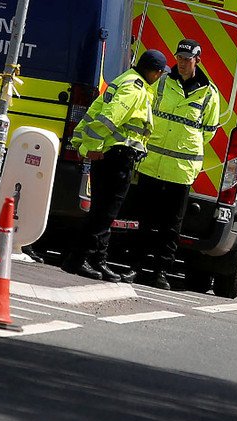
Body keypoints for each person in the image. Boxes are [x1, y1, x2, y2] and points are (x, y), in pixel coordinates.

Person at [62, 50, 165, 282]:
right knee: (103, 213)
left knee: (104, 212)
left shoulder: (125, 80)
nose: (159, 77)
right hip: (116, 156)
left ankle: (97, 259)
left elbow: (95, 113)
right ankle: (80, 259)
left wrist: (84, 143)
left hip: (112, 155)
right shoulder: (134, 89)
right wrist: (93, 146)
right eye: (159, 73)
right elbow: (107, 119)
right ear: (153, 71)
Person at [126, 39, 221, 289]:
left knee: (171, 226)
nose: (181, 62)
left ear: (197, 61)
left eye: (187, 59)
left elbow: (208, 131)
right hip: (152, 162)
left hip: (181, 169)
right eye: (179, 57)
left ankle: (160, 272)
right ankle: (135, 267)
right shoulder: (162, 83)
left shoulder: (209, 93)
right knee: (144, 220)